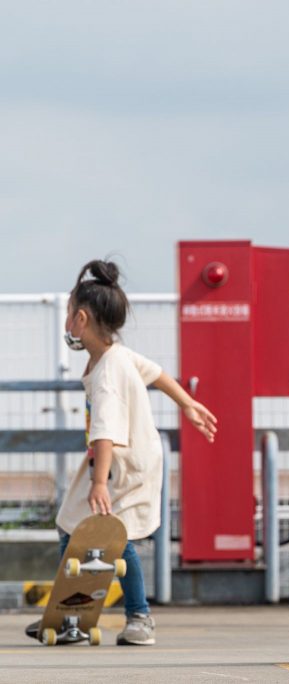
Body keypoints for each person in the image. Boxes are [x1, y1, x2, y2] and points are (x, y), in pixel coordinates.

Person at [26, 260, 217, 646]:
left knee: (118, 538)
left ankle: (138, 617)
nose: (66, 321)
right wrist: (188, 404)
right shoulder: (115, 355)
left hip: (123, 465)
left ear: (80, 319)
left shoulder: (108, 372)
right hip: (116, 459)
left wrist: (99, 482)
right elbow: (159, 373)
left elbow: (106, 430)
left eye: (67, 314)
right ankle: (71, 615)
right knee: (70, 522)